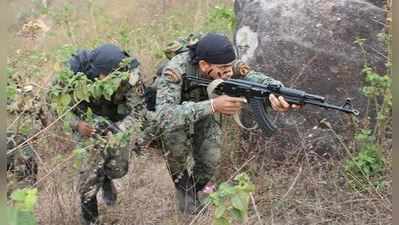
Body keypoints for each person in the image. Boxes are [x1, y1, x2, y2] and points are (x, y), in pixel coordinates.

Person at [151, 32, 301, 214]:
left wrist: (276, 92)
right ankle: (185, 198)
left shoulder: (228, 65)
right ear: (204, 65)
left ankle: (200, 192)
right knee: (177, 157)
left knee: (210, 159)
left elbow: (254, 79)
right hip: (177, 116)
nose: (229, 73)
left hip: (207, 110)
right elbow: (165, 116)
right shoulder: (175, 70)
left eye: (230, 67)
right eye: (223, 68)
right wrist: (213, 105)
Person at [51, 43, 146, 225]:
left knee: (118, 168)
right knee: (88, 173)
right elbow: (55, 106)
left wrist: (119, 130)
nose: (116, 82)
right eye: (109, 77)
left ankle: (106, 179)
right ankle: (90, 217)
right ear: (96, 72)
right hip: (85, 123)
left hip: (117, 123)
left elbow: (139, 112)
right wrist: (77, 124)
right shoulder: (72, 73)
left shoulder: (130, 74)